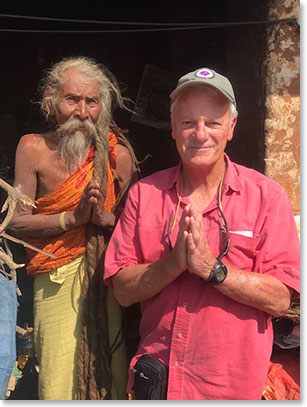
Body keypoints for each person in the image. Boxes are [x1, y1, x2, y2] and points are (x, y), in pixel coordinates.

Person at [103, 67, 300, 400]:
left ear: (231, 128)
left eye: (213, 122)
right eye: (188, 122)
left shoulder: (267, 197)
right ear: (173, 130)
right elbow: (122, 290)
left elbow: (281, 298)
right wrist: (172, 264)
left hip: (231, 386)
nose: (200, 133)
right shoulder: (145, 194)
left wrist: (214, 270)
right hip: (159, 381)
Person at [8, 56, 138, 400]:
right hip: (53, 279)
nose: (82, 112)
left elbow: (136, 226)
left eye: (91, 101)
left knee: (109, 369)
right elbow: (16, 222)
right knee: (57, 376)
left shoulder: (117, 155)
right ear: (51, 102)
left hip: (105, 278)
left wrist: (106, 219)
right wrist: (72, 219)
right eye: (72, 99)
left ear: (102, 107)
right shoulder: (32, 148)